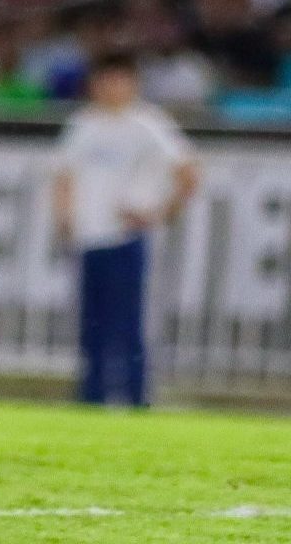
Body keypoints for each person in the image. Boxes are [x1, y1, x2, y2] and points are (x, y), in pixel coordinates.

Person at [49, 53, 199, 408]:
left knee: (129, 321)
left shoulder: (147, 124)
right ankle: (92, 395)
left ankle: (135, 395)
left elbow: (188, 171)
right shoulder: (84, 125)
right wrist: (65, 218)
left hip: (127, 235)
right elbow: (64, 173)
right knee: (92, 321)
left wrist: (160, 213)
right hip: (90, 235)